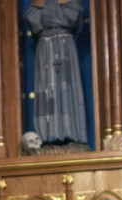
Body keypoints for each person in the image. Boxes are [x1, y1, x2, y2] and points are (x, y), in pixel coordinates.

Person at [25, 0, 88, 145]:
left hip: (65, 48)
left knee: (66, 89)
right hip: (45, 51)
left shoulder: (70, 3)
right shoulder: (36, 3)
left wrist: (47, 7)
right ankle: (46, 135)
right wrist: (56, 8)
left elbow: (73, 16)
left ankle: (71, 134)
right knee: (44, 91)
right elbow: (33, 19)